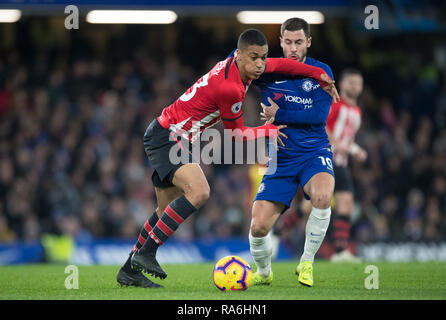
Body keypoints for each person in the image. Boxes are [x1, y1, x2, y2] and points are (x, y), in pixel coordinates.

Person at [116, 28, 339, 288]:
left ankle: (129, 270)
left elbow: (284, 65)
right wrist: (267, 129)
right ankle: (145, 253)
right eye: (254, 58)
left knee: (165, 210)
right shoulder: (230, 88)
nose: (260, 65)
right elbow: (235, 134)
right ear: (240, 55)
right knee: (199, 192)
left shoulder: (240, 65)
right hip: (168, 136)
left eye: (263, 58)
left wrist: (319, 75)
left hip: (170, 133)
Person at [248, 18, 336, 287]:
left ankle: (307, 262)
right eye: (288, 42)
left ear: (308, 42)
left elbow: (318, 115)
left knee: (322, 195)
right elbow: (234, 63)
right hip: (280, 157)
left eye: (299, 42)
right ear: (281, 42)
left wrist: (280, 114)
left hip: (314, 150)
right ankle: (263, 272)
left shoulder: (321, 71)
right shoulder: (267, 71)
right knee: (258, 227)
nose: (293, 48)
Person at [325, 68, 366, 262]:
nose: (355, 87)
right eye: (351, 83)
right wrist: (336, 143)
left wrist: (356, 150)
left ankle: (340, 251)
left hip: (340, 163)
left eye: (358, 83)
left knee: (346, 204)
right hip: (327, 159)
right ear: (342, 85)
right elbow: (322, 124)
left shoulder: (356, 111)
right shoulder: (335, 104)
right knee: (312, 206)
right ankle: (277, 233)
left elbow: (347, 138)